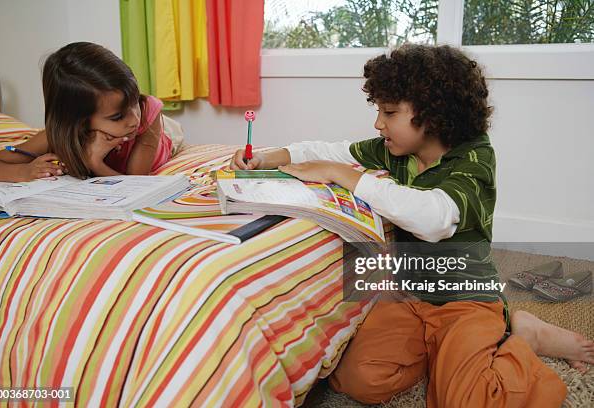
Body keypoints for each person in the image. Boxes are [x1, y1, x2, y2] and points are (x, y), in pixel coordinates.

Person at [230, 44, 594, 406]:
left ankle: (524, 335)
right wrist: (273, 154)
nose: (378, 123)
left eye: (389, 112)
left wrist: (346, 177)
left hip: (465, 298)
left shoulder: (475, 158)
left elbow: (434, 218)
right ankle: (447, 354)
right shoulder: (395, 149)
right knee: (359, 380)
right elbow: (331, 151)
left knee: (470, 401)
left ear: (434, 114)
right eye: (378, 111)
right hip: (410, 295)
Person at [0, 42, 184, 182]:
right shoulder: (59, 135)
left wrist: (94, 162)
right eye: (117, 116)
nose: (133, 119)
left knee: (161, 122)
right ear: (79, 121)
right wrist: (24, 171)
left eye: (133, 102)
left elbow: (136, 182)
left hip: (165, 136)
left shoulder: (145, 114)